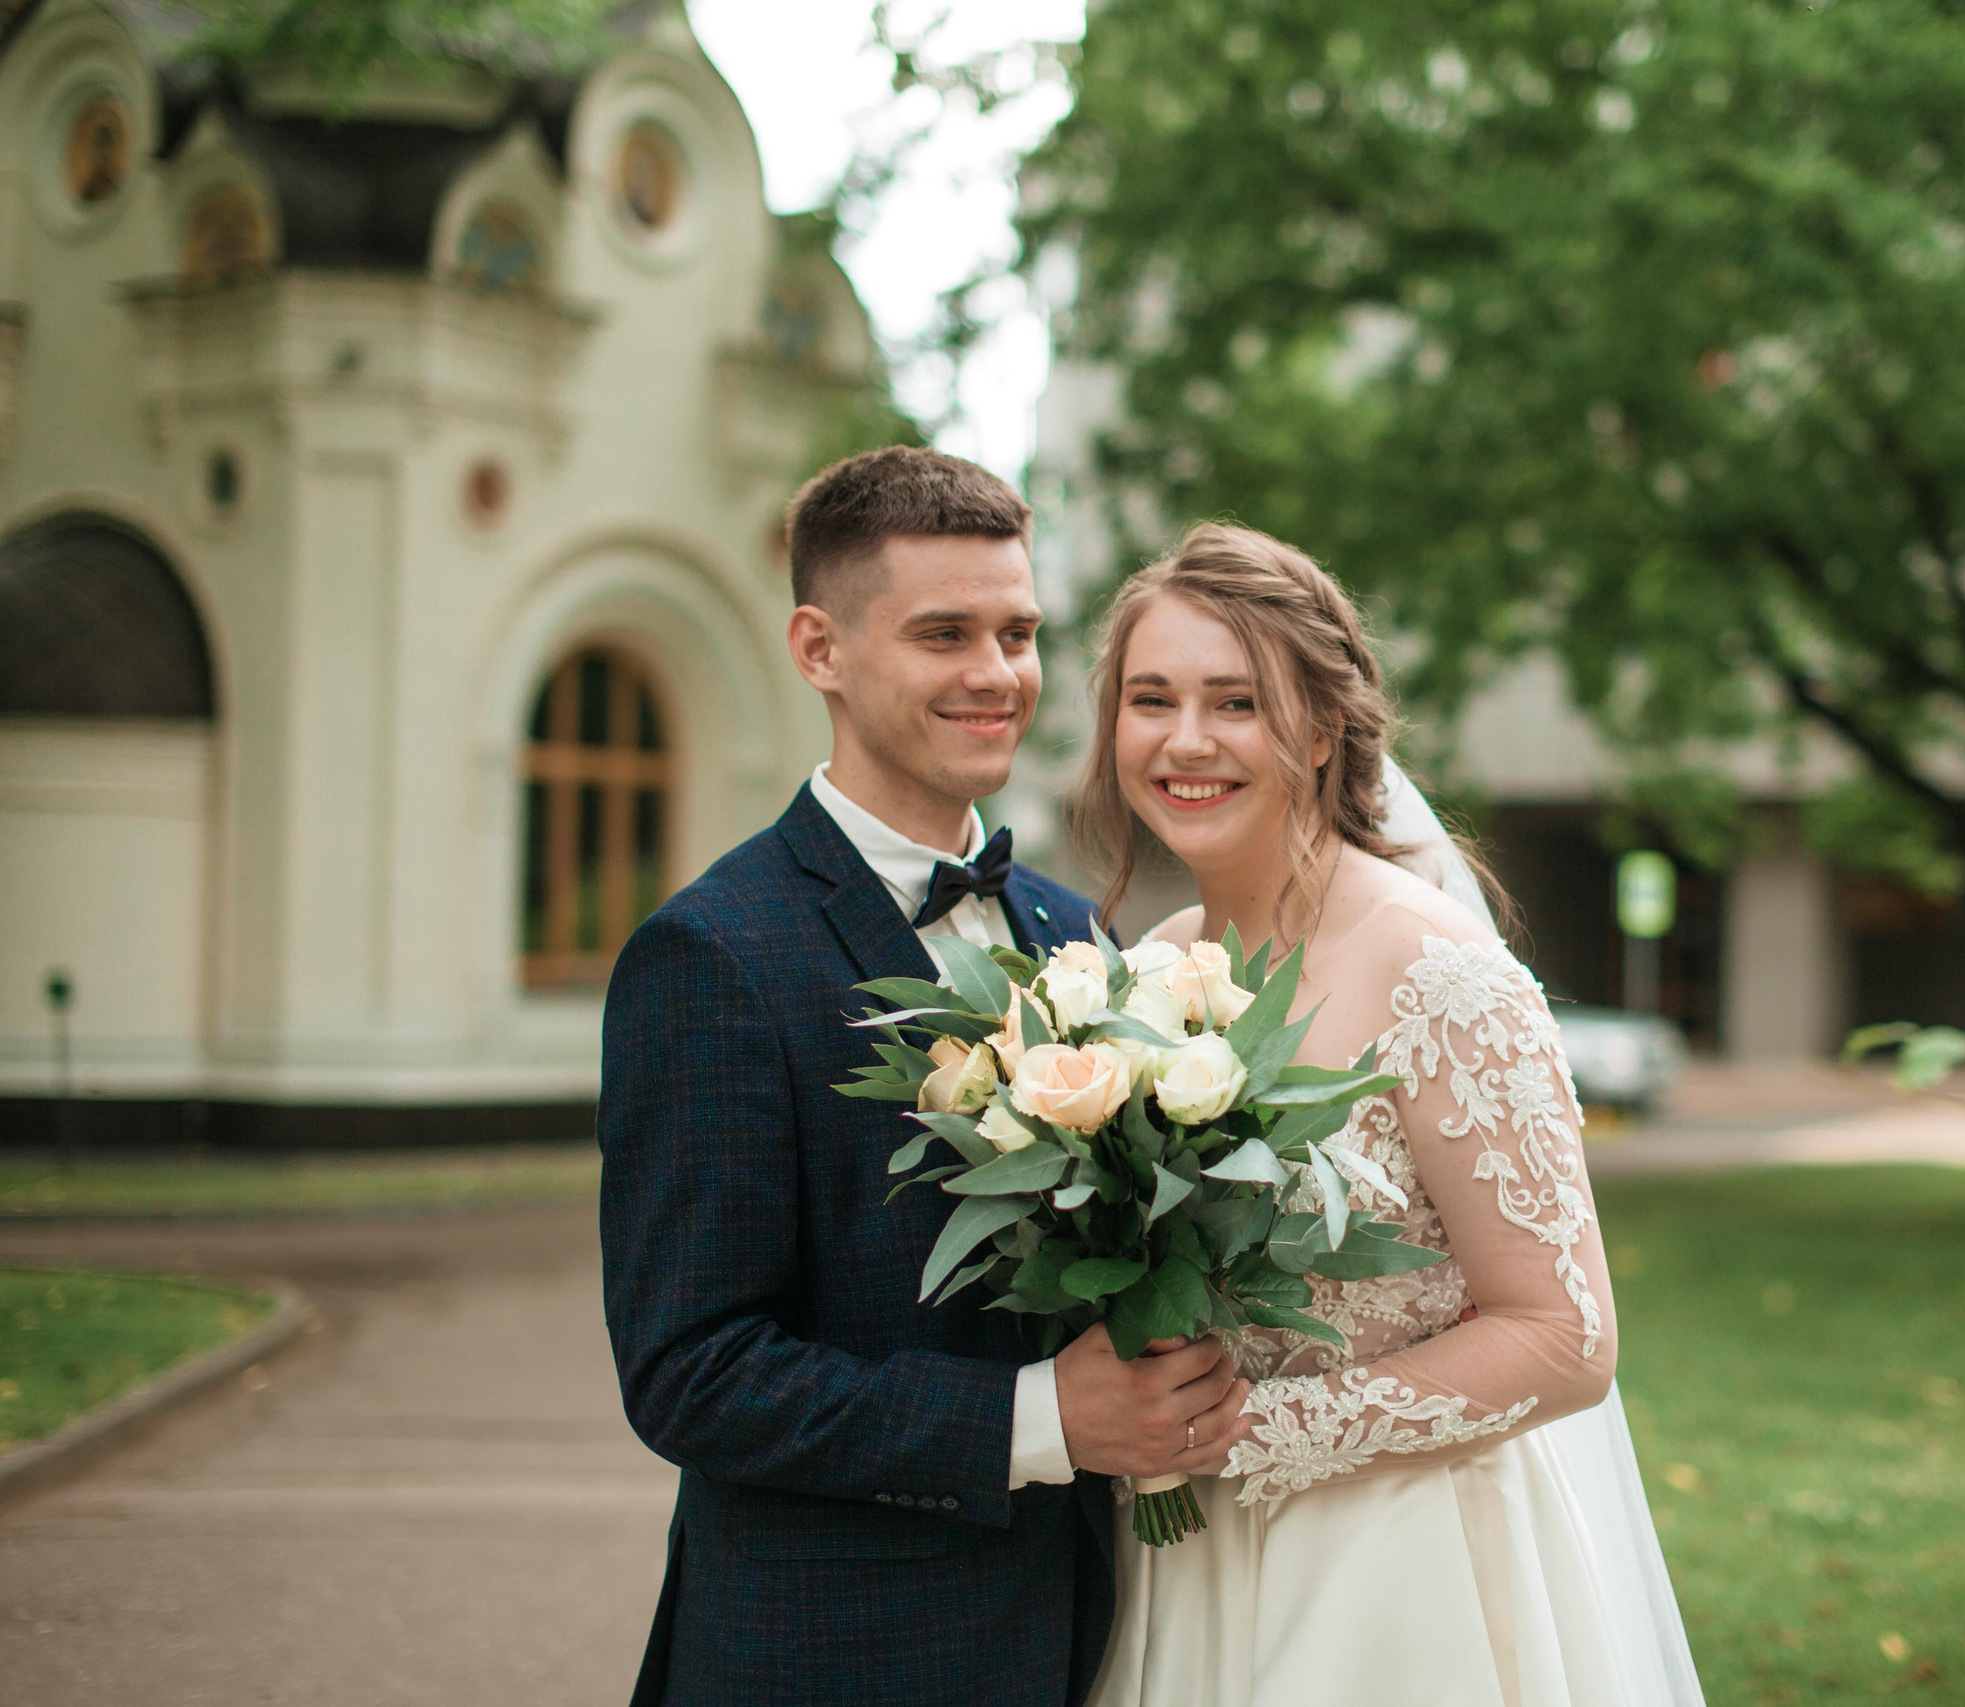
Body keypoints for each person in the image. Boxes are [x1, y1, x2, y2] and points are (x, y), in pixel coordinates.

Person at [597, 449, 1251, 1707]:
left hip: (1085, 1628)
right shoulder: (712, 956)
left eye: (1018, 633)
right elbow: (693, 1372)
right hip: (836, 1654)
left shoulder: (1079, 933)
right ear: (819, 648)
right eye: (944, 633)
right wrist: (1043, 1423)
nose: (997, 675)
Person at [1079, 522, 1708, 1707]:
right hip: (1189, 1562)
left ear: (1320, 731)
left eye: (1236, 703)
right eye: (1149, 699)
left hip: (1406, 1572)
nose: (1185, 741)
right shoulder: (1147, 976)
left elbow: (1565, 1338)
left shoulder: (1432, 968)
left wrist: (1246, 1438)